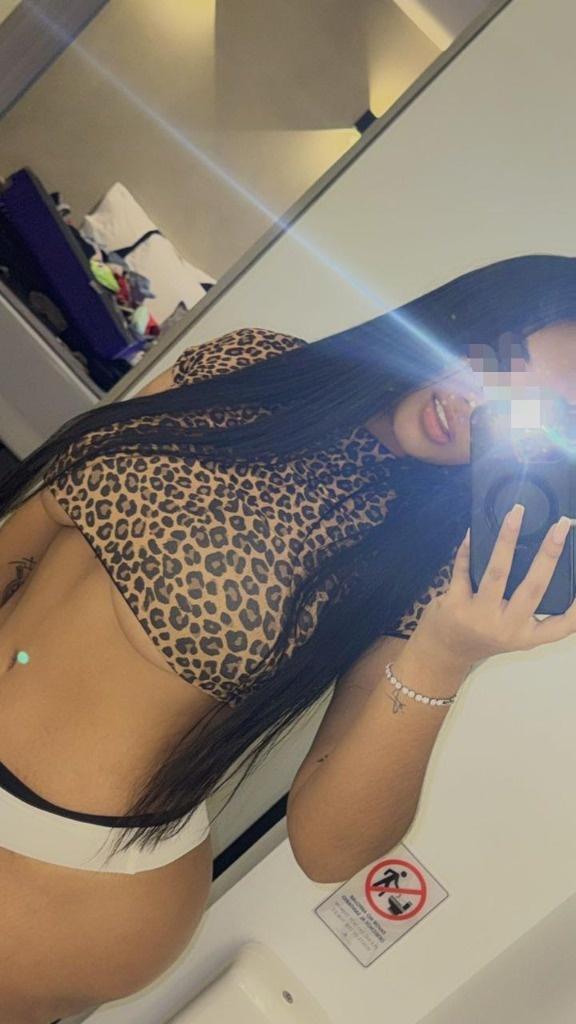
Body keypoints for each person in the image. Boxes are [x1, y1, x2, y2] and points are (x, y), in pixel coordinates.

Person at [1, 253, 576, 1022]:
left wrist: (446, 658)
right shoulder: (255, 363)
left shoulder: (433, 567)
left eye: (530, 415)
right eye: (499, 362)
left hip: (59, 884)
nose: (475, 407)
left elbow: (328, 848)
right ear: (462, 316)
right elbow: (41, 520)